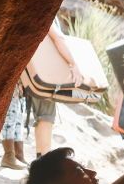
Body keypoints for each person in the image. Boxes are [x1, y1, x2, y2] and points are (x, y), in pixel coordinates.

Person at [29, 20, 87, 158]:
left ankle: (40, 160)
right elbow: (58, 38)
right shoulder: (46, 11)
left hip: (33, 72)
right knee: (46, 117)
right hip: (44, 74)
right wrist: (73, 64)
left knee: (41, 117)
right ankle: (44, 162)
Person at [0, 81, 27, 169]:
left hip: (20, 84)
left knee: (18, 118)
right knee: (10, 117)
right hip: (11, 83)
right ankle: (9, 155)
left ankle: (18, 154)